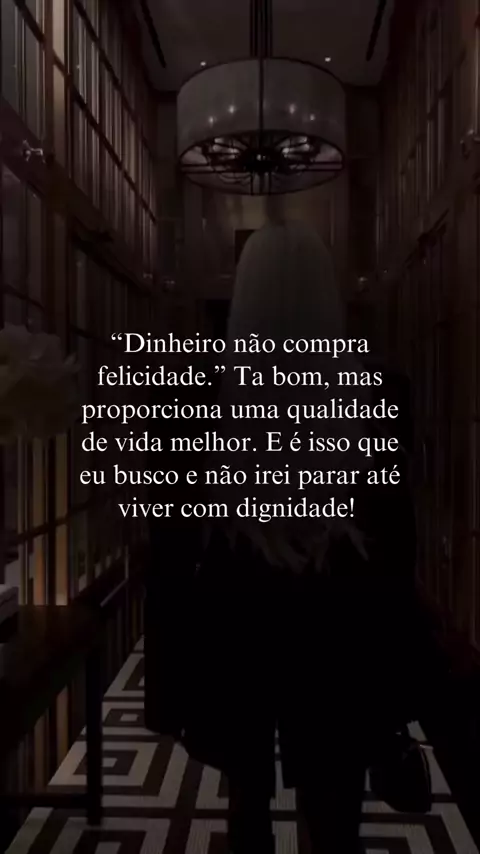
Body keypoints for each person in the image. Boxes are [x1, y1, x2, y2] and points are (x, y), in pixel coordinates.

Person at [145, 221, 420, 854]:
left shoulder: (198, 398)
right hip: (343, 624)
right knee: (336, 813)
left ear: (244, 294)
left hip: (235, 623)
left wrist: (165, 685)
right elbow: (396, 546)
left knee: (247, 806)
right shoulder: (382, 391)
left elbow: (170, 548)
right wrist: (399, 680)